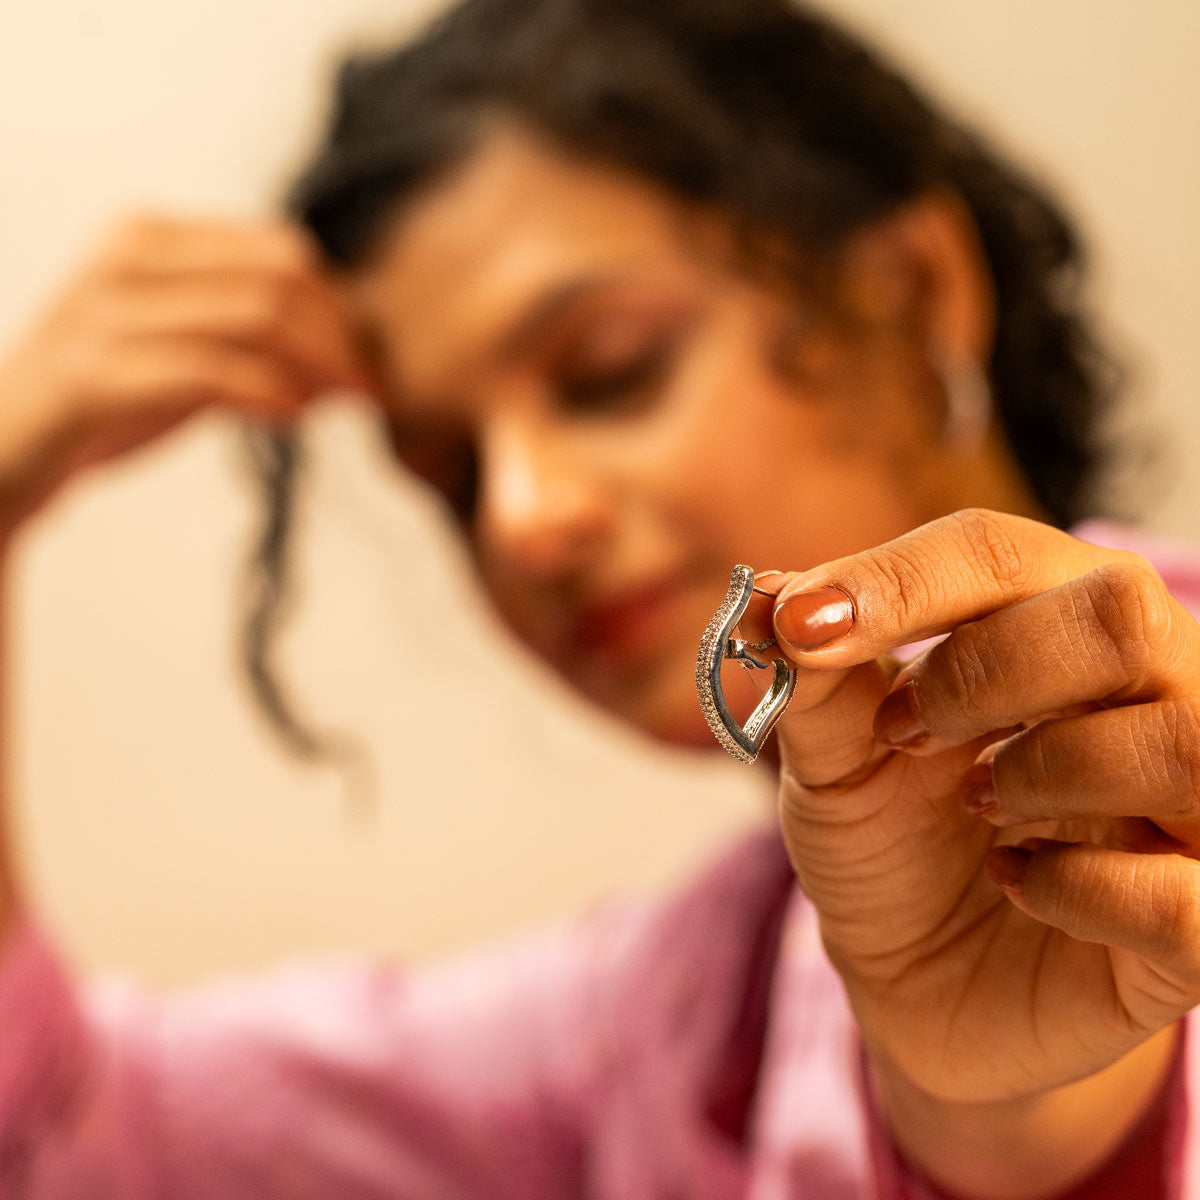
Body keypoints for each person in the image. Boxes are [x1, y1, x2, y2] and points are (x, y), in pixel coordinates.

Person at [2, 0, 1199, 1195]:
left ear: (910, 291)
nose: (521, 518)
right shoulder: (672, 1022)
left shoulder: (1165, 753)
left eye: (610, 372)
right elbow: (67, 1128)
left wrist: (1018, 1108)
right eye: (453, 475)